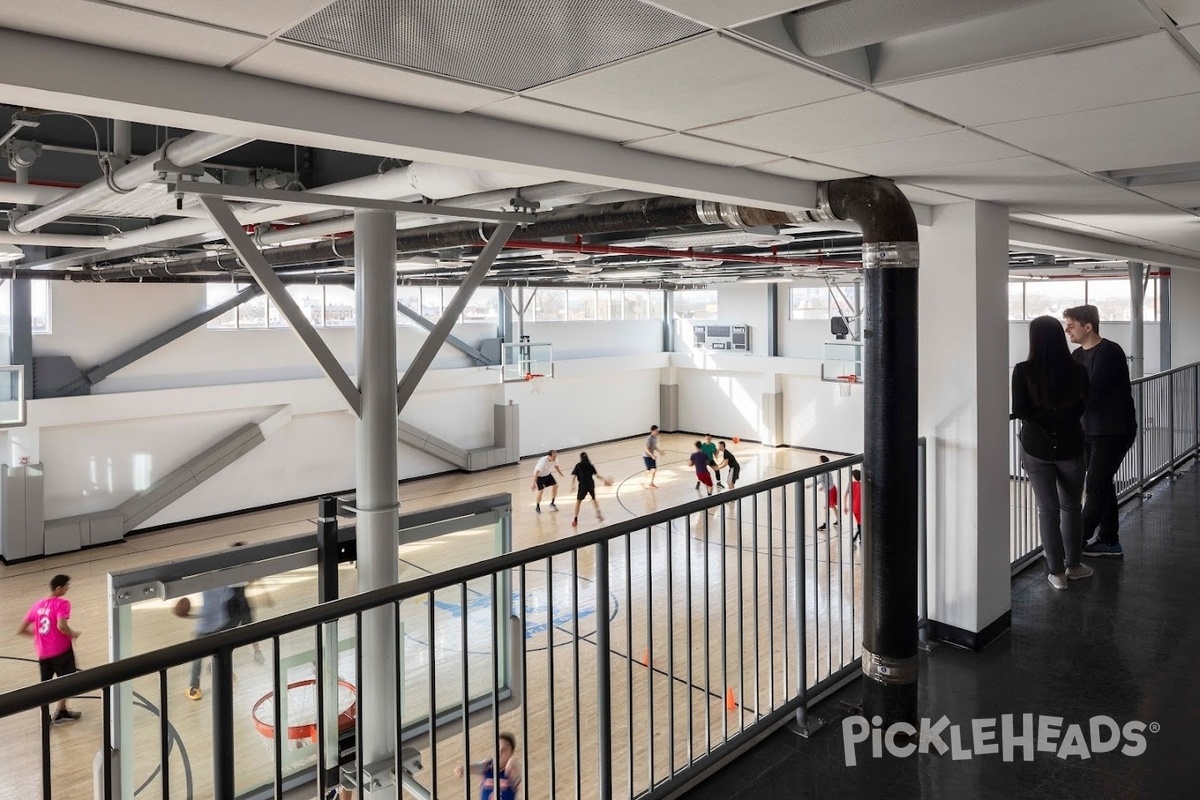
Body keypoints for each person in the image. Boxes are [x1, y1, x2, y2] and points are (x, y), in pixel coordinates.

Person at [1014, 315, 1093, 589]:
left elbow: (1022, 410)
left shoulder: (1023, 371)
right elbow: (1082, 407)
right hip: (1071, 447)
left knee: (1047, 511)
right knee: (1071, 506)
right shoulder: (1078, 369)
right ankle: (1074, 566)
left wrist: (1043, 416)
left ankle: (1056, 573)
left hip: (1037, 448)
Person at [1064, 305, 1138, 558]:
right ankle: (1109, 540)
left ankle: (1074, 543)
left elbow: (1090, 392)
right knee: (1102, 485)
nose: (1067, 330)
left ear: (1088, 326)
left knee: (1095, 485)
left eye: (1071, 325)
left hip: (1114, 431)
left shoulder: (1109, 351)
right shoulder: (1076, 355)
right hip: (1090, 431)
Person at [17, 574, 83, 724]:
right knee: (67, 683)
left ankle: (44, 717)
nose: (68, 589)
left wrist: (38, 636)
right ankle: (61, 711)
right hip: (61, 652)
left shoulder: (37, 605)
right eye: (66, 586)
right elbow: (61, 625)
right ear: (58, 588)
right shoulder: (62, 603)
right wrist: (73, 634)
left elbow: (21, 629)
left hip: (43, 654)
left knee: (45, 687)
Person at [185, 586, 235, 700]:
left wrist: (190, 615)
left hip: (209, 626)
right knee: (220, 653)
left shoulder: (210, 586)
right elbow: (228, 596)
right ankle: (198, 684)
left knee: (197, 658)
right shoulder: (220, 586)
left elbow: (209, 610)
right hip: (218, 624)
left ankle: (194, 686)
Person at [455, 731, 521, 800]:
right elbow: (472, 768)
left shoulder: (512, 770)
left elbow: (518, 774)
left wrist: (513, 761)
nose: (500, 751)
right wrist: (462, 769)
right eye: (497, 747)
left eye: (504, 749)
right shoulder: (486, 766)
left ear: (511, 753)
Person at [569, 451, 610, 527]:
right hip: (591, 485)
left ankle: (575, 519)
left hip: (582, 486)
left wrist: (573, 486)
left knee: (578, 502)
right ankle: (598, 514)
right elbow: (597, 476)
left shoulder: (578, 466)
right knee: (594, 499)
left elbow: (574, 477)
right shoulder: (590, 465)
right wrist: (605, 480)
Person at [531, 450, 564, 514]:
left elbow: (556, 465)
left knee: (555, 486)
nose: (555, 458)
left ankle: (552, 503)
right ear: (549, 456)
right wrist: (533, 483)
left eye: (555, 457)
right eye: (553, 457)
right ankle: (537, 507)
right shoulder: (543, 462)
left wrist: (560, 473)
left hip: (548, 475)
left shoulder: (554, 459)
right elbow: (536, 473)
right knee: (540, 491)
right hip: (539, 477)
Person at [815, 455, 839, 532]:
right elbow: (827, 481)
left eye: (819, 459)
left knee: (826, 508)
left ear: (821, 461)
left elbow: (819, 480)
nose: (817, 461)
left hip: (830, 491)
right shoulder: (827, 469)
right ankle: (838, 521)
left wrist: (810, 485)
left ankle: (825, 525)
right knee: (832, 506)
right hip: (832, 489)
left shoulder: (823, 470)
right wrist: (823, 487)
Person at [846, 469, 863, 544]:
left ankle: (858, 537)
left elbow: (845, 494)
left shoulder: (851, 484)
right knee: (860, 523)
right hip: (861, 507)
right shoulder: (863, 485)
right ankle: (857, 538)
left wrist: (845, 506)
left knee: (860, 523)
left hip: (854, 507)